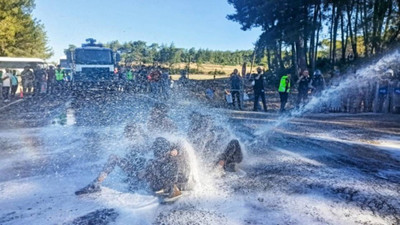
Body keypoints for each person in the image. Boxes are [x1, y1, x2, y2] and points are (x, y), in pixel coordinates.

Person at [75, 136, 189, 201]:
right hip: (140, 174)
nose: (157, 154)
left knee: (150, 164)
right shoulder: (162, 153)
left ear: (167, 152)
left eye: (160, 153)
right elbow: (178, 144)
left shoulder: (172, 162)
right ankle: (96, 184)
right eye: (156, 152)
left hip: (147, 180)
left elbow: (170, 184)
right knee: (114, 157)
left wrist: (169, 188)